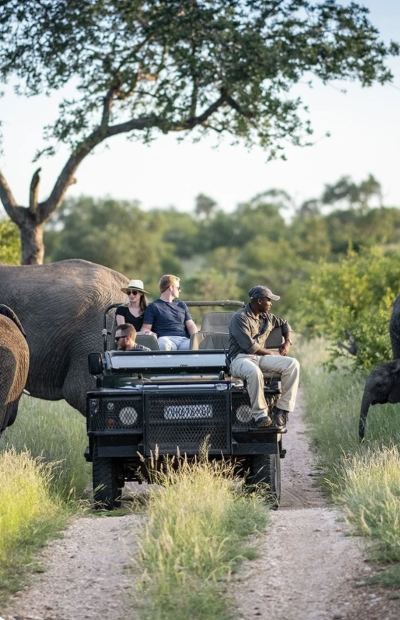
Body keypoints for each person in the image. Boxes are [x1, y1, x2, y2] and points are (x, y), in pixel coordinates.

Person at [229, 285, 300, 429]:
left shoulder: (266, 316)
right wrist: (272, 353)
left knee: (292, 364)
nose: (271, 303)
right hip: (241, 358)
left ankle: (281, 410)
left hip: (260, 359)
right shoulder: (239, 318)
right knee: (254, 372)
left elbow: (285, 324)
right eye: (269, 300)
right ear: (260, 301)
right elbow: (250, 347)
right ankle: (260, 415)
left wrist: (287, 342)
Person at [142, 274, 198, 350]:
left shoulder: (181, 305)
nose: (179, 290)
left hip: (183, 340)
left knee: (194, 345)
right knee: (163, 343)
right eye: (178, 288)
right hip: (166, 339)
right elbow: (145, 329)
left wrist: (196, 338)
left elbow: (191, 325)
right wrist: (150, 333)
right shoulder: (153, 306)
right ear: (171, 287)